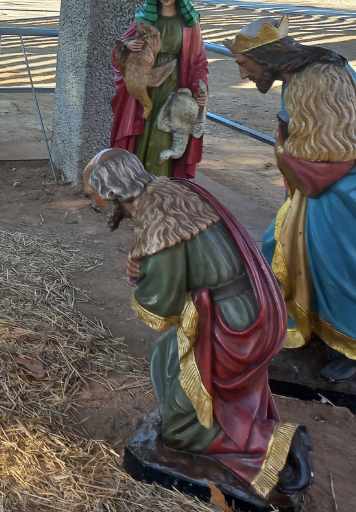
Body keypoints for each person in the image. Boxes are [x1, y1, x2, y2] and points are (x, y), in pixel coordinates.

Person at [84, 149, 312, 500]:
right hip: (247, 305)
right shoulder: (168, 190)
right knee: (166, 354)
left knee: (180, 430)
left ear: (112, 192)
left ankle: (271, 447)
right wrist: (147, 264)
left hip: (231, 323)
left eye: (92, 195)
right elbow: (188, 261)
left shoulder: (160, 225)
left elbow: (163, 305)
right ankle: (249, 431)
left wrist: (141, 278)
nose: (93, 204)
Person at [227, 17, 356, 383]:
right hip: (324, 186)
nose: (243, 74)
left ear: (267, 56)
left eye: (244, 64)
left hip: (348, 189)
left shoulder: (319, 78)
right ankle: (308, 329)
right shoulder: (300, 76)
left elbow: (335, 153)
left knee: (342, 265)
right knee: (281, 246)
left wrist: (283, 145)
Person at [111, 0, 209, 178]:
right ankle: (133, 182)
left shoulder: (189, 23)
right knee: (140, 131)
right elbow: (119, 48)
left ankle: (157, 184)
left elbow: (198, 59)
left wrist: (201, 88)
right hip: (145, 83)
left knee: (164, 134)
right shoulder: (144, 18)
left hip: (173, 85)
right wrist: (129, 46)